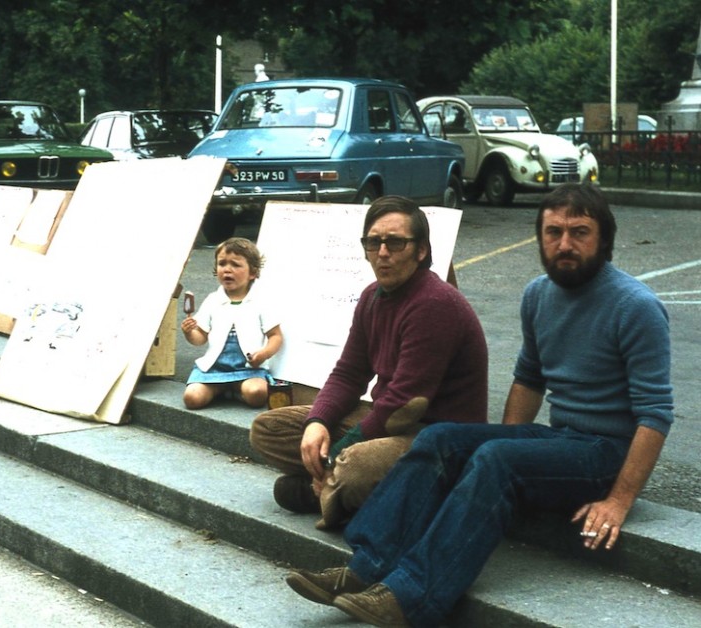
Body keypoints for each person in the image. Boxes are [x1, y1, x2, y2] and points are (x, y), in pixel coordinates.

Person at [286, 183, 674, 627]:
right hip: (560, 439)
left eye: (579, 232)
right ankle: (364, 568)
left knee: (495, 457)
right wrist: (507, 438)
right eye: (553, 232)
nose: (564, 244)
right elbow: (529, 379)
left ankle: (411, 595)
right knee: (442, 438)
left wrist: (620, 500)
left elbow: (655, 413)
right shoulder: (538, 295)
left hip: (606, 454)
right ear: (539, 237)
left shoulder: (636, 306)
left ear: (604, 239)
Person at [250, 196, 488, 529]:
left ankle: (333, 489)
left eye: (395, 242)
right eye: (373, 242)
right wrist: (317, 422)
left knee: (355, 466)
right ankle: (336, 493)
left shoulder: (434, 303)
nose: (383, 252)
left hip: (437, 436)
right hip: (388, 425)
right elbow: (348, 374)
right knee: (269, 429)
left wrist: (335, 456)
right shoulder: (371, 297)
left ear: (421, 251)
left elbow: (404, 406)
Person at [182, 237, 283, 410]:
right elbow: (200, 338)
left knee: (258, 393)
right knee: (192, 398)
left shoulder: (261, 301)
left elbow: (275, 336)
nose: (227, 270)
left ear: (253, 272)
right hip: (214, 369)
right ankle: (220, 388)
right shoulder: (213, 300)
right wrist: (189, 332)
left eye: (235, 265)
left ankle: (234, 389)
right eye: (222, 264)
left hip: (248, 369)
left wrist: (263, 354)